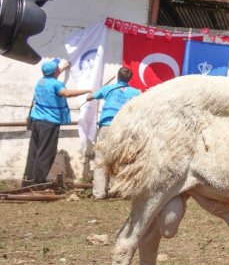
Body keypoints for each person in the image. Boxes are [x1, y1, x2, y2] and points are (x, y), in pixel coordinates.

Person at [22, 58, 92, 186]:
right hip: (49, 123)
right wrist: (86, 90)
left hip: (37, 121)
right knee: (46, 152)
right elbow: (66, 93)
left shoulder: (41, 81)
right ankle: (38, 183)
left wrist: (63, 67)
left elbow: (52, 75)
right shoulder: (56, 85)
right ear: (55, 72)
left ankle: (28, 181)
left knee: (34, 151)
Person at [86, 66, 141, 199]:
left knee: (101, 159)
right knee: (120, 159)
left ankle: (99, 193)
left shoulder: (109, 89)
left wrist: (94, 91)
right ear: (130, 78)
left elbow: (89, 97)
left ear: (117, 76)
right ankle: (117, 190)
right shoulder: (136, 92)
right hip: (123, 127)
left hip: (107, 126)